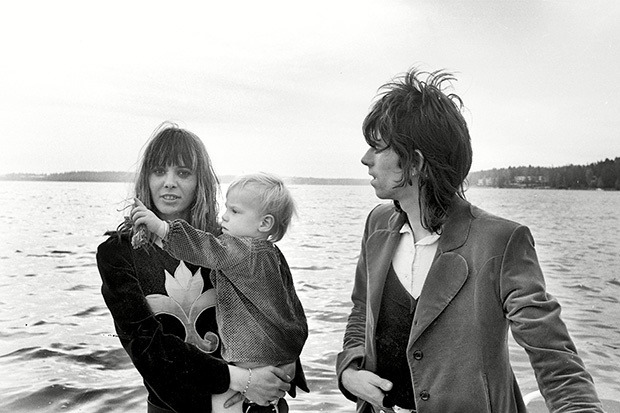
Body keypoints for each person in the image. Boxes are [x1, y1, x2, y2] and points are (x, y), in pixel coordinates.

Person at [335, 69, 604, 412]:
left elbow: (554, 359)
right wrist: (350, 371)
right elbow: (361, 311)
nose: (366, 158)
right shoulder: (377, 225)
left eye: (378, 146)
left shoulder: (501, 242)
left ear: (415, 163)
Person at [96, 123, 307, 413]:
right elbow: (146, 348)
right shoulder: (119, 253)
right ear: (146, 178)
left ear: (200, 180)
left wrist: (283, 372)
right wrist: (240, 380)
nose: (169, 182)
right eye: (159, 171)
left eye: (183, 173)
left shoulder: (230, 244)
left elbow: (278, 310)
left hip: (257, 404)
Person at [131, 172, 308, 413]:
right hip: (277, 355)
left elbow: (206, 248)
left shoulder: (241, 250)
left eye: (235, 211)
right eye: (226, 208)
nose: (224, 216)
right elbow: (291, 305)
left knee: (224, 404)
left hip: (250, 358)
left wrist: (162, 228)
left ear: (264, 223)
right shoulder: (273, 254)